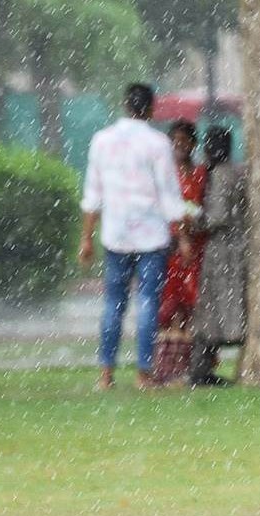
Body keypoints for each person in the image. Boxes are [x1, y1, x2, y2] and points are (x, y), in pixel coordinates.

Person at [79, 83, 188, 391]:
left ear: (126, 106)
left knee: (113, 304)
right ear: (151, 109)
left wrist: (86, 238)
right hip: (151, 237)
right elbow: (169, 195)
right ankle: (143, 373)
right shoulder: (157, 144)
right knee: (148, 303)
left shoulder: (102, 141)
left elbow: (92, 194)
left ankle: (106, 374)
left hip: (115, 234)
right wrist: (181, 235)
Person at [188, 128, 246, 387]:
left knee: (210, 313)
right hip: (238, 249)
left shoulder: (221, 175)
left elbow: (218, 216)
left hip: (221, 251)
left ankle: (200, 371)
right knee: (227, 308)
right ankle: (205, 370)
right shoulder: (239, 172)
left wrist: (195, 221)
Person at [153, 119, 208, 383]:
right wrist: (179, 234)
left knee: (192, 305)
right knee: (168, 307)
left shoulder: (200, 174)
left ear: (193, 144)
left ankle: (189, 367)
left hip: (196, 249)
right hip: (171, 249)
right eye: (175, 141)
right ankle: (166, 368)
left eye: (185, 141)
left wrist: (191, 228)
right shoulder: (165, 175)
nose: (180, 146)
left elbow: (201, 207)